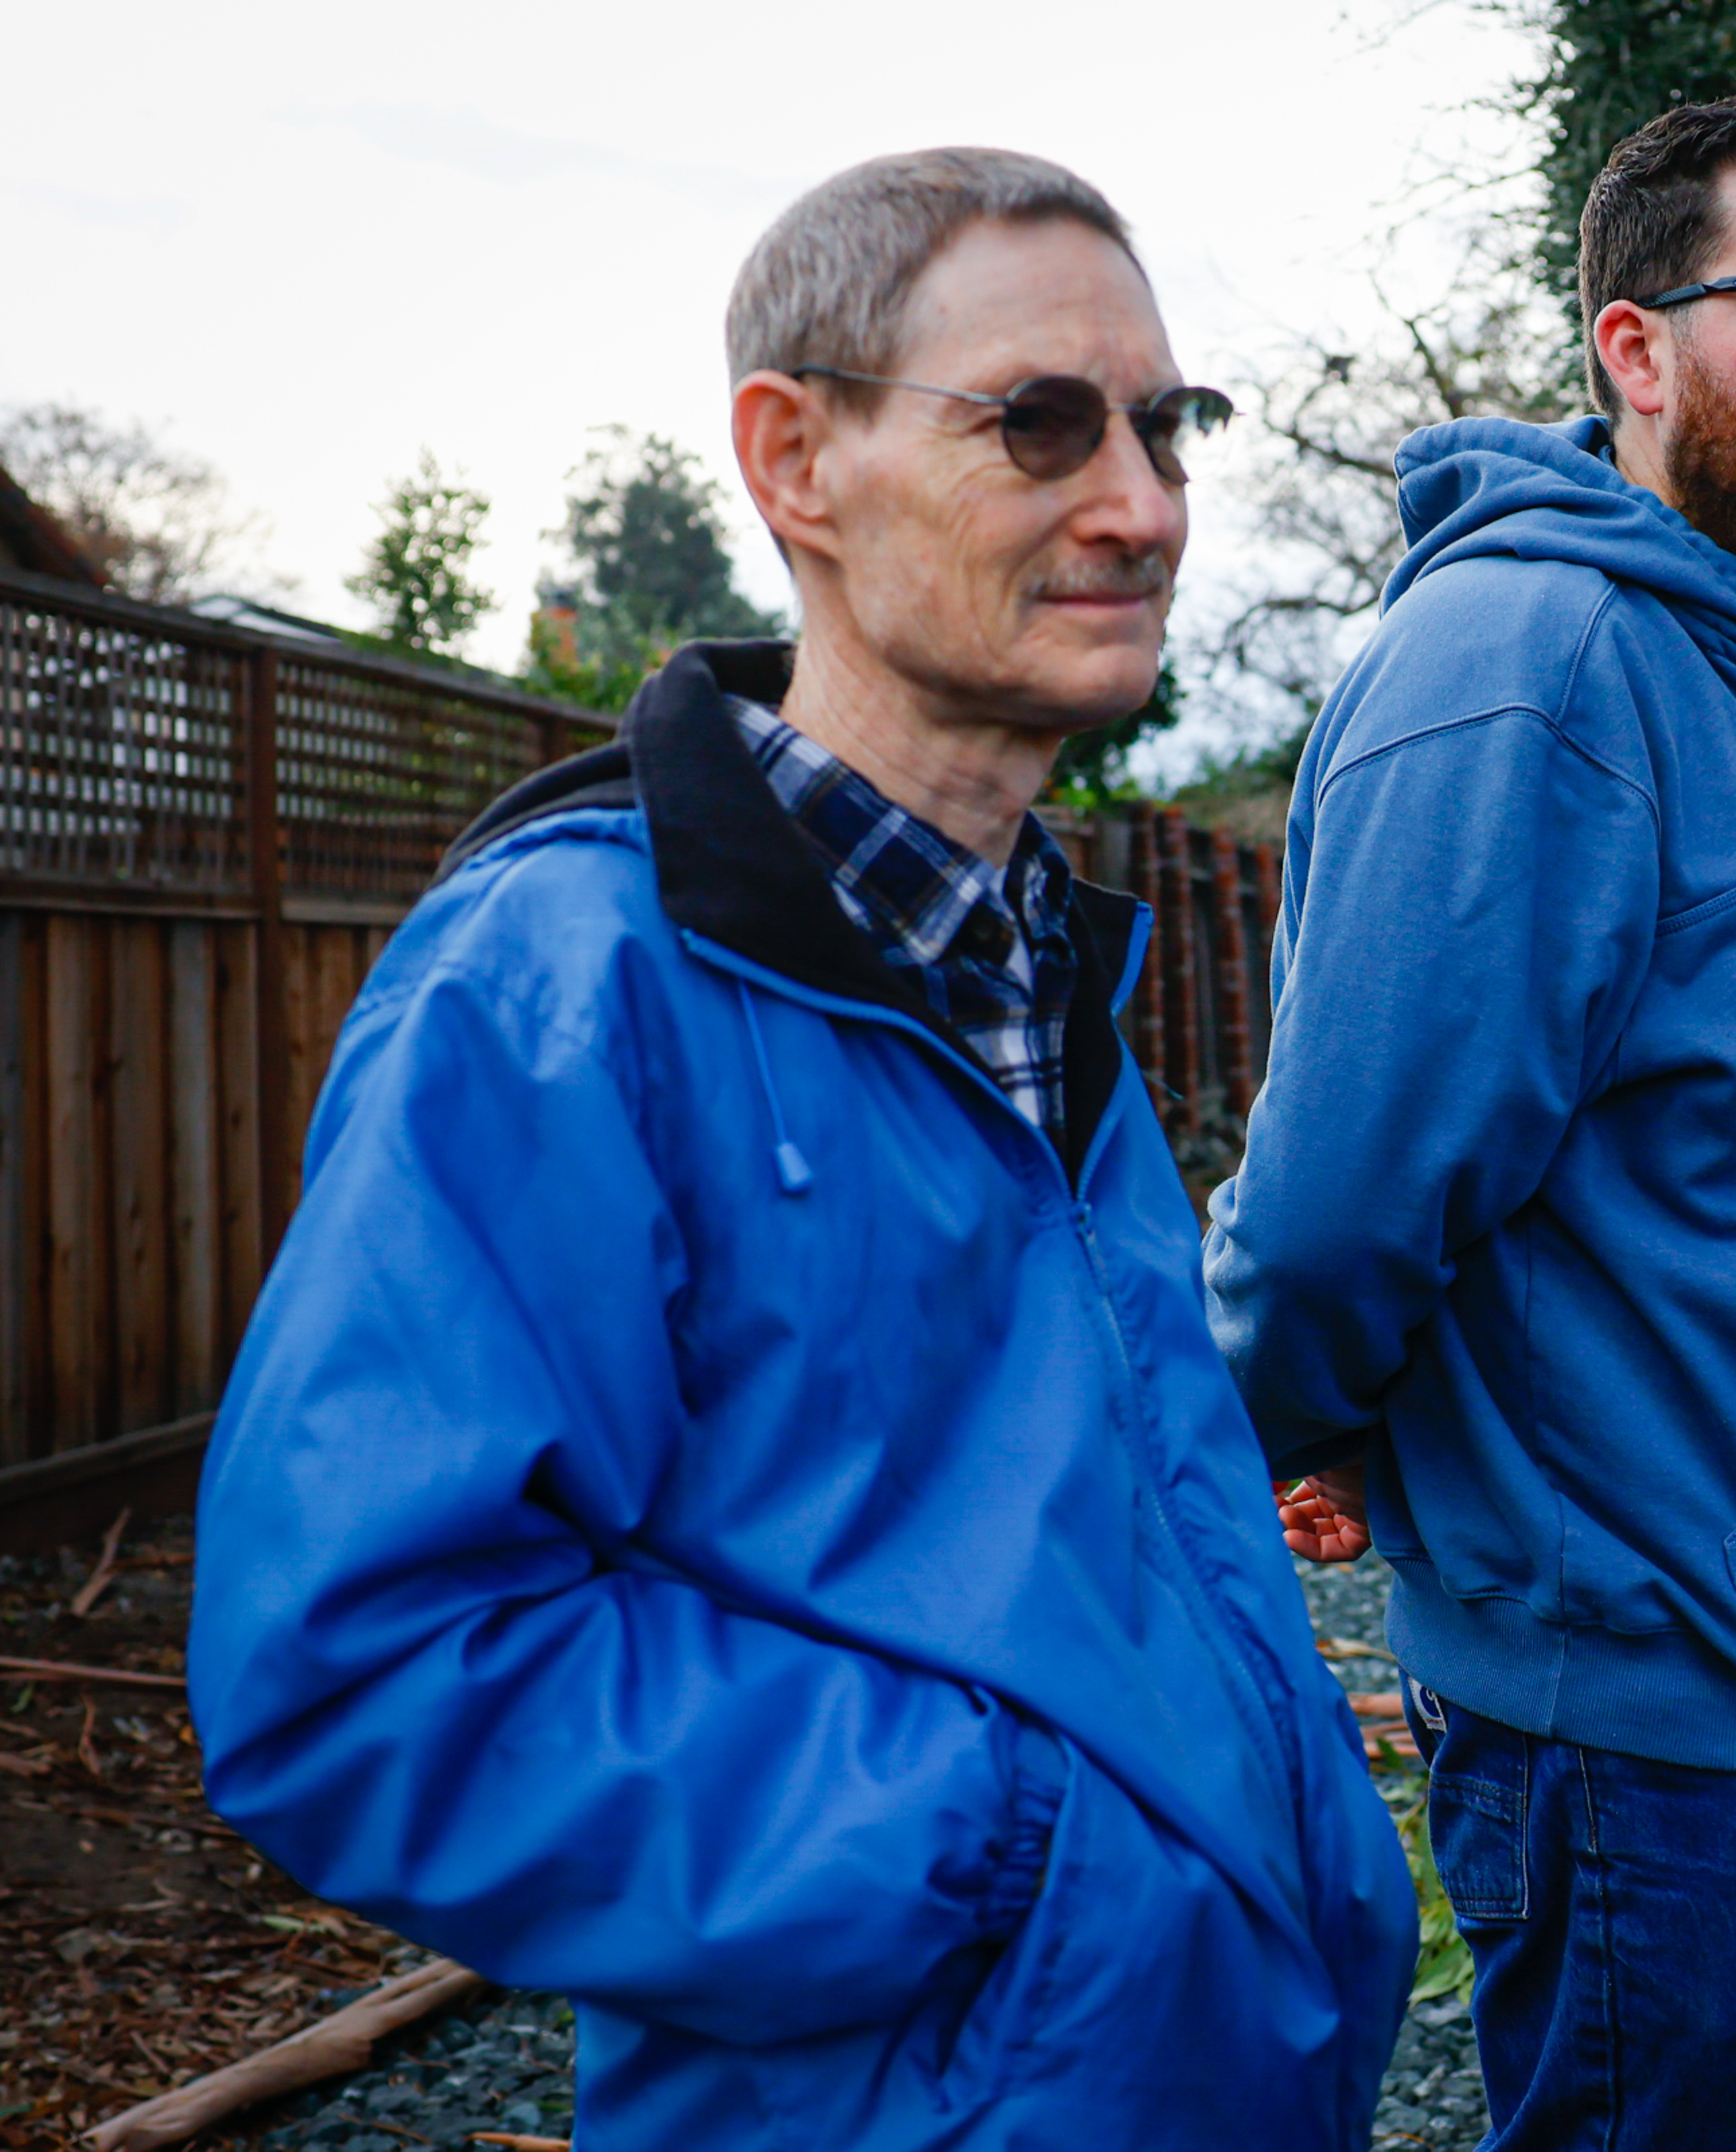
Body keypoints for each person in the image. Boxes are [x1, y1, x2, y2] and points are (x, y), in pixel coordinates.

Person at [188, 149, 1414, 2152]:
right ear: (797, 462)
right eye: (1038, 423)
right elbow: (364, 1667)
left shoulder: (1042, 977)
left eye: (1164, 424)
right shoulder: (561, 987)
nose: (1143, 503)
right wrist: (1001, 1859)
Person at [1203, 77, 1736, 2152]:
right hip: (1643, 1700)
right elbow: (1347, 1199)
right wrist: (1302, 1425)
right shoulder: (1528, 667)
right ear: (1632, 349)